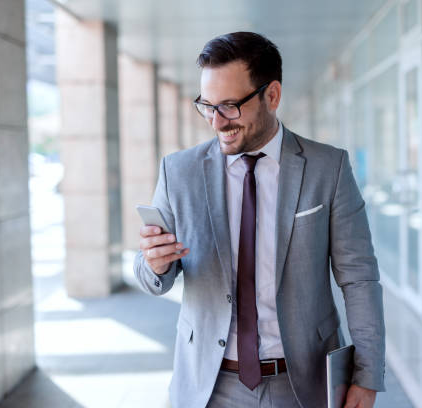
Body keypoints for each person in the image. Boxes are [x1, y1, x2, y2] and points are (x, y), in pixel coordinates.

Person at [134, 31, 385, 408]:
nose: (217, 122)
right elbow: (152, 276)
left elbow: (359, 277)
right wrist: (154, 264)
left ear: (272, 96)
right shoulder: (179, 172)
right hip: (209, 385)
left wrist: (367, 374)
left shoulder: (327, 169)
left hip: (303, 382)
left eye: (230, 106)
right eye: (207, 105)